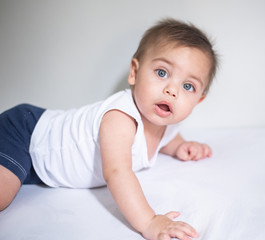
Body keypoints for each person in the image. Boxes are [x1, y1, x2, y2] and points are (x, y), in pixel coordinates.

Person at [0, 18, 218, 240]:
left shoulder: (167, 123)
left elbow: (165, 138)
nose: (172, 90)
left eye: (188, 86)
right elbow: (117, 172)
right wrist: (150, 221)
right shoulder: (120, 117)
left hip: (41, 166)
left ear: (198, 101)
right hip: (26, 134)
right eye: (162, 73)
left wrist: (181, 146)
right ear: (134, 72)